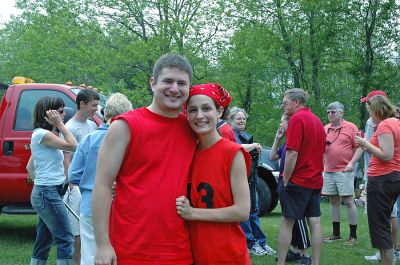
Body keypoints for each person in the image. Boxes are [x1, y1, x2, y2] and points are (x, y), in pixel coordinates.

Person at [92, 53, 197, 265]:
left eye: (181, 83)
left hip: (179, 249)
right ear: (153, 82)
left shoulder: (192, 129)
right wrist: (103, 245)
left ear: (189, 87)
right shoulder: (124, 126)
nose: (175, 88)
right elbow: (102, 186)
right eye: (168, 81)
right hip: (130, 247)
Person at [175, 83, 251, 265]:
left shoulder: (233, 153)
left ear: (219, 112)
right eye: (193, 110)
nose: (199, 115)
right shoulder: (186, 153)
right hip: (193, 255)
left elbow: (242, 211)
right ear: (186, 114)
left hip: (227, 256)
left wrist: (193, 213)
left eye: (206, 108)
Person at [68, 93, 132, 265]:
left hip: (90, 204)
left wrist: (89, 180)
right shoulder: (128, 140)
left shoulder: (89, 139)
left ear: (105, 114)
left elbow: (73, 175)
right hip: (120, 205)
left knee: (90, 255)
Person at [277, 88, 326, 265]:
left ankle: (281, 263)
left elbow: (291, 153)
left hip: (297, 180)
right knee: (315, 222)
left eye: (285, 102)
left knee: (287, 221)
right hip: (315, 180)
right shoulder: (318, 121)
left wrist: (285, 178)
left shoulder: (297, 119)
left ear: (296, 102)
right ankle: (316, 262)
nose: (283, 105)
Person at [27, 96, 78, 265]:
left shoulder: (44, 136)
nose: (64, 114)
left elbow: (30, 167)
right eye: (61, 111)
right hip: (47, 193)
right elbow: (73, 145)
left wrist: (43, 184)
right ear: (49, 114)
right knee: (65, 238)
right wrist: (61, 125)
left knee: (44, 240)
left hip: (47, 192)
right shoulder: (42, 134)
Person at [356, 92, 400, 265]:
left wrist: (365, 143)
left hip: (382, 180)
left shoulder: (384, 126)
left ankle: (387, 260)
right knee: (385, 221)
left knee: (380, 228)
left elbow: (387, 155)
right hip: (392, 177)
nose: (369, 114)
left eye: (369, 110)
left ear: (375, 109)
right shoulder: (396, 122)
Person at [229, 106, 276, 256]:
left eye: (243, 118)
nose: (242, 121)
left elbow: (253, 156)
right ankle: (250, 242)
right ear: (230, 120)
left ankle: (261, 242)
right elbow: (233, 149)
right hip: (240, 179)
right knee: (245, 212)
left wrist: (257, 151)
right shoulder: (229, 135)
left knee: (254, 210)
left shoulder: (246, 135)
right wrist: (251, 147)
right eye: (238, 118)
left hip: (252, 176)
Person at [63, 89, 99, 265]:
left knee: (87, 237)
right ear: (82, 104)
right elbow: (66, 159)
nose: (96, 109)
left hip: (90, 187)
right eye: (93, 105)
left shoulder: (92, 125)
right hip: (77, 187)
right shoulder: (70, 128)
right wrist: (71, 186)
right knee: (77, 234)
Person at [270, 114, 311, 264]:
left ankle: (305, 254)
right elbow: (273, 156)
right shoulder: (287, 142)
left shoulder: (296, 140)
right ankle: (294, 251)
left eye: (282, 122)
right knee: (288, 220)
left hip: (293, 184)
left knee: (298, 219)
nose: (280, 124)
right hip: (283, 183)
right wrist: (277, 138)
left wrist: (287, 180)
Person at [322, 102, 363, 245]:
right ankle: (336, 233)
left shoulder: (351, 127)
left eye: (333, 112)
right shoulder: (325, 128)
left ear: (341, 112)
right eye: (328, 112)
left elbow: (359, 148)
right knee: (334, 201)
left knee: (348, 201)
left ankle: (353, 236)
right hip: (328, 170)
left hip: (344, 170)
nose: (330, 115)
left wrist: (351, 163)